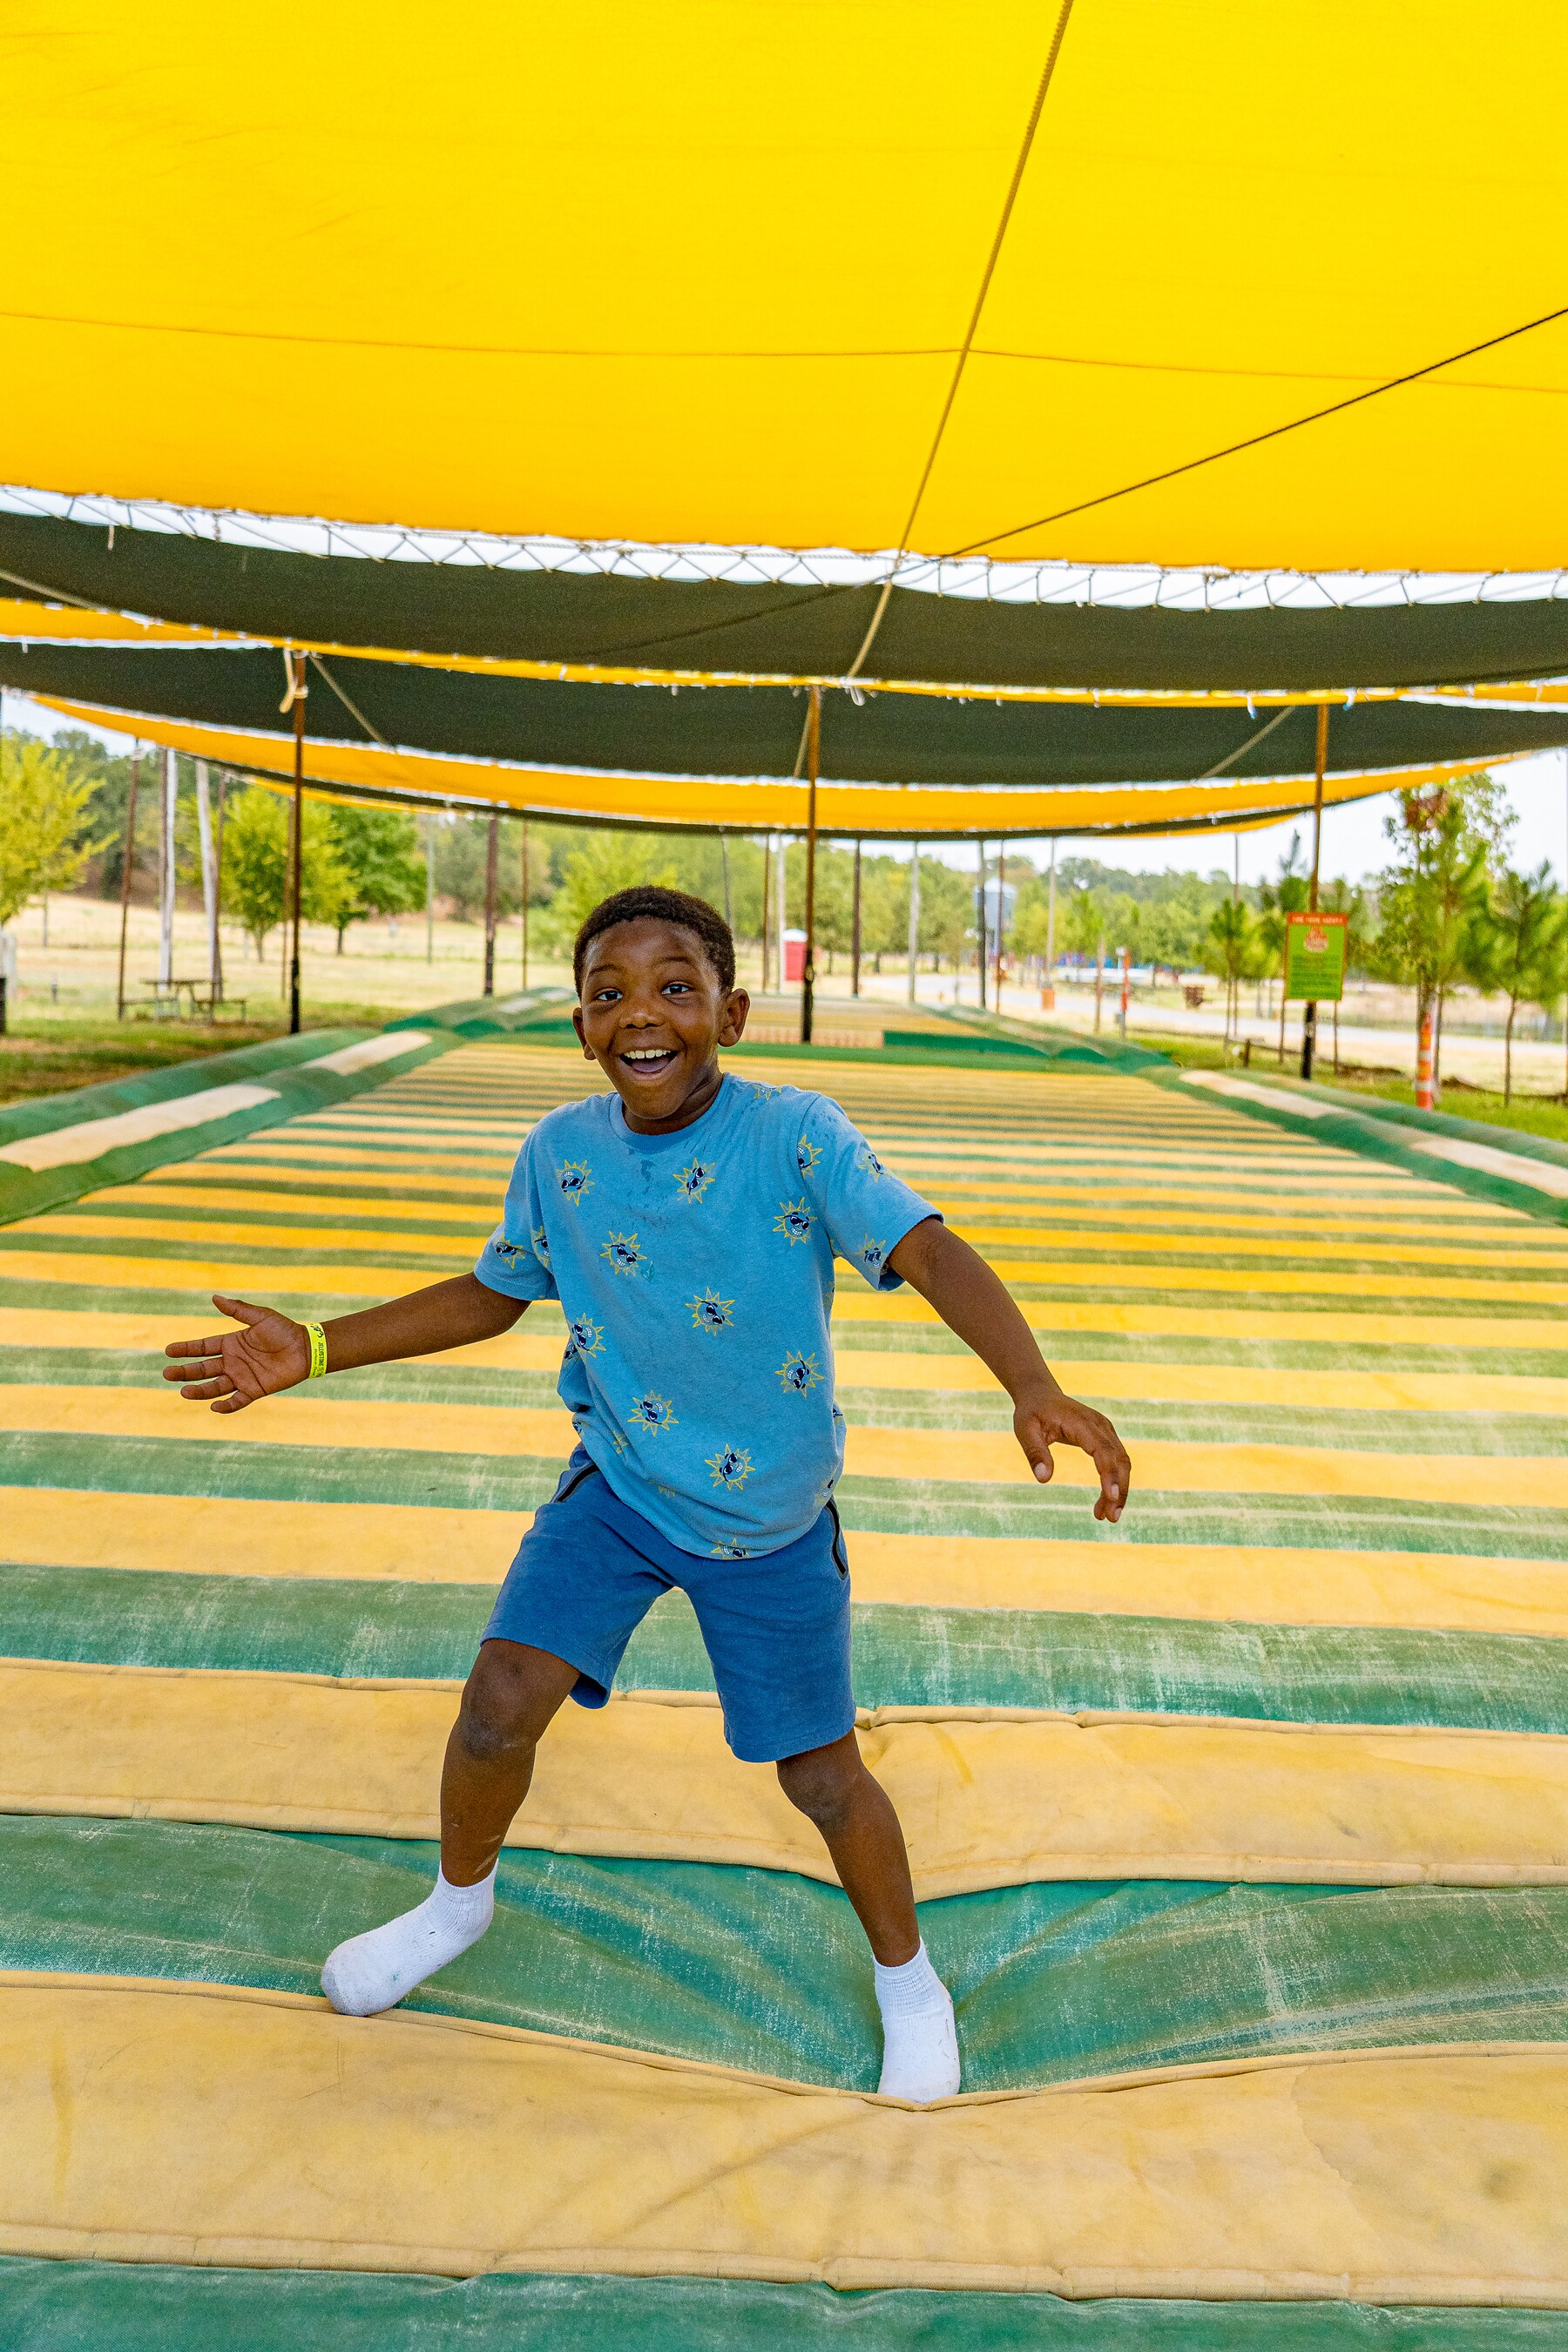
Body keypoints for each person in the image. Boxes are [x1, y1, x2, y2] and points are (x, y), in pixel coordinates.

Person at [165, 885, 1131, 2101]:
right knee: (497, 1702)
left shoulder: (795, 1136)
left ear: (730, 1009)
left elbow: (927, 1247)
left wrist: (1029, 1379)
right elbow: (495, 1293)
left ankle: (909, 1983)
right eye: (609, 992)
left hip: (767, 1519)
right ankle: (456, 1905)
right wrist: (313, 1346)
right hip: (617, 1485)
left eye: (675, 987)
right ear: (579, 1025)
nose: (642, 1014)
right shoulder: (561, 1154)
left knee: (822, 1777)